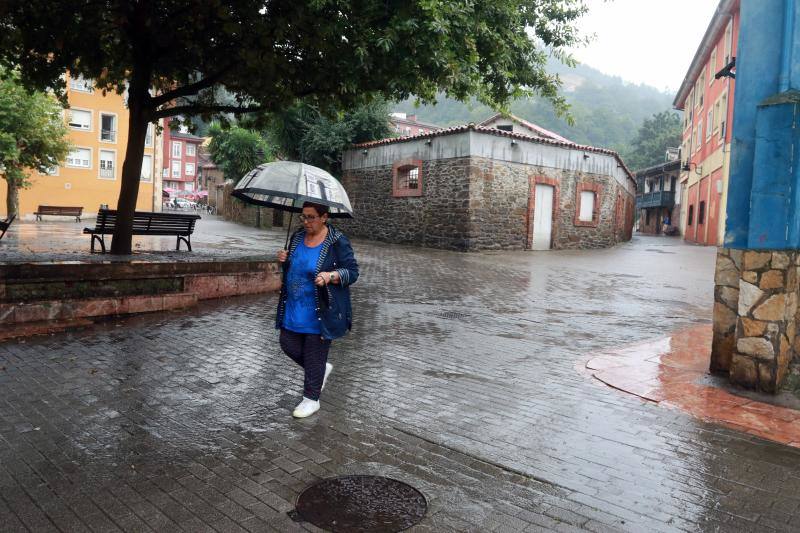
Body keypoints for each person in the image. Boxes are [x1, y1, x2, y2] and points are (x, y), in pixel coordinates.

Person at [276, 202, 359, 418]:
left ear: (324, 217)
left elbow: (352, 272)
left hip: (321, 308)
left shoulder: (337, 241)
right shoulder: (296, 237)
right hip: (293, 306)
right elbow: (293, 267)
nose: (306, 222)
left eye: (311, 217)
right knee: (287, 343)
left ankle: (311, 400)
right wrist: (284, 261)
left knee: (314, 354)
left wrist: (330, 276)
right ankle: (320, 369)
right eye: (303, 217)